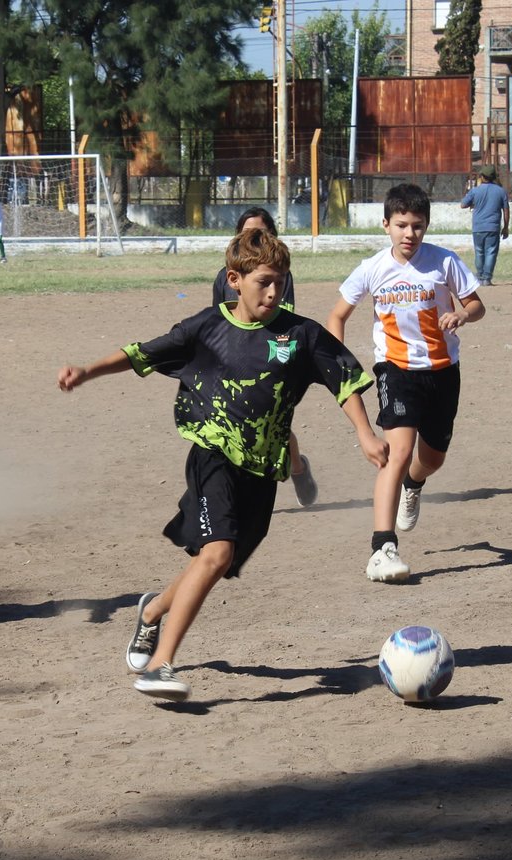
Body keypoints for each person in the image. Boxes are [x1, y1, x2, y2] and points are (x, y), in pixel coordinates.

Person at [57, 228, 386, 702]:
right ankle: (161, 666)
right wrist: (88, 371)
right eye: (264, 282)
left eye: (281, 283)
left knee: (215, 562)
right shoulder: (207, 327)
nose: (274, 292)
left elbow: (344, 381)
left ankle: (151, 611)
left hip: (263, 468)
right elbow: (142, 354)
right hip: (212, 453)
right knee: (215, 554)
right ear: (235, 280)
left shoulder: (301, 334)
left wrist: (365, 434)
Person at [325, 183, 486, 583]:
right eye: (401, 225)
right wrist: (339, 365)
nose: (409, 233)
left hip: (443, 370)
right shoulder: (372, 268)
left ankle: (414, 483)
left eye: (417, 225)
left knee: (432, 459)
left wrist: (462, 315)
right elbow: (337, 316)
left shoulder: (444, 262)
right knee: (397, 452)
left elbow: (476, 304)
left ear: (426, 226)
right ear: (386, 225)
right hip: (395, 370)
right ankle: (382, 548)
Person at [211, 206, 315, 505]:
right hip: (234, 358)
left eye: (261, 232)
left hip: (268, 353)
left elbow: (285, 317)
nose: (254, 238)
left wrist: (281, 360)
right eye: (248, 233)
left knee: (269, 422)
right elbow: (217, 319)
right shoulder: (224, 277)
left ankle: (297, 467)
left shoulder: (280, 276)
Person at [460, 165, 510, 285]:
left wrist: (472, 201)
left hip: (478, 227)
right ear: (494, 177)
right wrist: (505, 227)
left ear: (482, 177)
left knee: (479, 251)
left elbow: (463, 205)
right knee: (491, 251)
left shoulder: (475, 191)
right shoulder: (501, 191)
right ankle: (487, 278)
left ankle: (479, 276)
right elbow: (506, 210)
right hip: (493, 227)